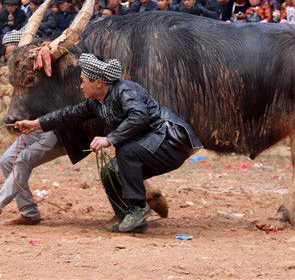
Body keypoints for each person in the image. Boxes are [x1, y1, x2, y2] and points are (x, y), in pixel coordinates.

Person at [14, 54, 202, 232]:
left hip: (171, 141)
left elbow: (138, 116)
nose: (80, 86)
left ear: (98, 82)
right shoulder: (96, 103)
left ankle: (138, 208)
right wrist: (35, 124)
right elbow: (67, 114)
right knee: (110, 172)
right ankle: (128, 218)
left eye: (83, 81)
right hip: (151, 145)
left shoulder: (126, 90)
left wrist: (109, 139)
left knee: (126, 152)